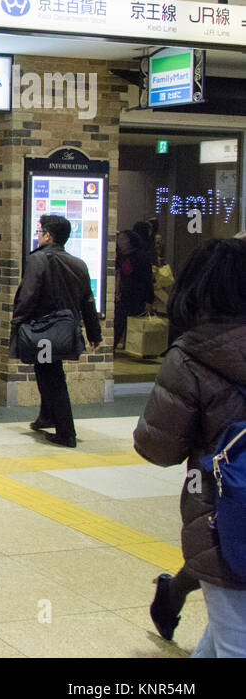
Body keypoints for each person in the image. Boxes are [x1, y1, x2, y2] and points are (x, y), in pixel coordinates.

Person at [133, 238, 246, 654]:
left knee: (233, 640)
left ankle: (172, 592)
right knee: (226, 636)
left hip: (226, 516)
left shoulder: (190, 357)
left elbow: (156, 449)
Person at [11, 214, 102, 448]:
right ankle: (47, 415)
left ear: (48, 236)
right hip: (64, 331)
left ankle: (66, 432)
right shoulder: (78, 264)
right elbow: (87, 301)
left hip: (43, 331)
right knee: (46, 371)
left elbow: (28, 295)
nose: (38, 236)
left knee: (53, 376)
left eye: (40, 232)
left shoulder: (38, 260)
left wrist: (17, 322)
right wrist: (94, 334)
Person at [115, 222, 155, 351]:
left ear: (130, 241)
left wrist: (149, 300)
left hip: (136, 296)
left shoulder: (140, 257)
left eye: (123, 239)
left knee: (133, 323)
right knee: (119, 322)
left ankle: (132, 348)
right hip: (121, 295)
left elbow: (147, 279)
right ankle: (114, 346)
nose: (119, 241)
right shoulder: (117, 257)